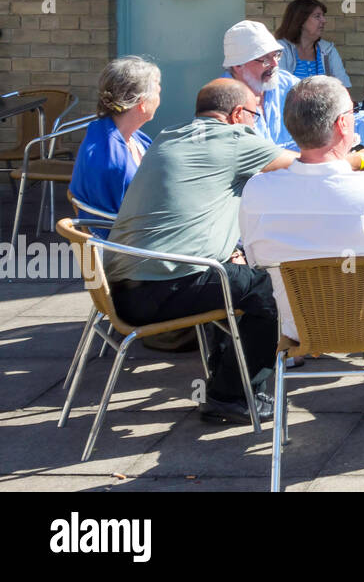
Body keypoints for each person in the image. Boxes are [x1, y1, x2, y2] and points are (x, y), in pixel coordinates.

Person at [105, 78, 297, 423]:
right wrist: (361, 160)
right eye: (255, 114)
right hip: (162, 289)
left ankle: (225, 384)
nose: (256, 122)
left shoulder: (168, 135)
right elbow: (306, 167)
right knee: (270, 289)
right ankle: (231, 396)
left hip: (120, 290)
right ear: (238, 113)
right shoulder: (234, 138)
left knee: (234, 273)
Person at [240, 77, 364, 417]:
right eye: (352, 112)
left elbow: (255, 261)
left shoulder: (256, 190)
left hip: (298, 326)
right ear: (343, 124)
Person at [69, 56, 161, 239]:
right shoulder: (110, 159)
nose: (160, 99)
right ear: (142, 104)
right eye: (158, 92)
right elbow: (118, 226)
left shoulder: (120, 134)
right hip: (129, 252)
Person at [224, 20, 300, 150]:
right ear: (238, 65)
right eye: (265, 59)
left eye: (276, 55)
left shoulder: (289, 84)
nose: (275, 64)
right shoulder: (218, 99)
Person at [275, 0, 352, 90]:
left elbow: (343, 87)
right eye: (317, 16)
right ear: (300, 20)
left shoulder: (327, 50)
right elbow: (278, 89)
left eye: (323, 16)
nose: (324, 20)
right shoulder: (281, 49)